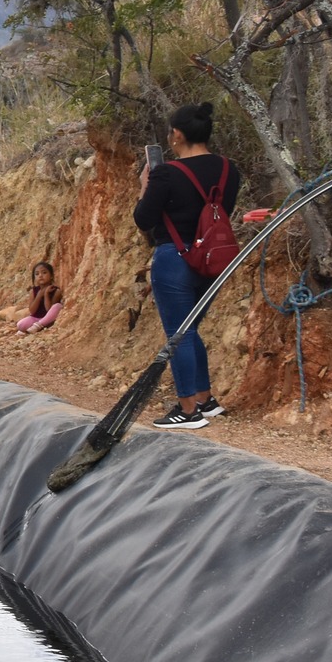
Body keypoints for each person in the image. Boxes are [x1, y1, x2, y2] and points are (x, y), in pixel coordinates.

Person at [133, 102, 239, 428]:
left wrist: (144, 186)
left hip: (175, 259)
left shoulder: (166, 173)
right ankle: (206, 400)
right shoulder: (228, 169)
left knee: (177, 334)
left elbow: (144, 219)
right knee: (190, 329)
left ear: (177, 134)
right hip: (214, 260)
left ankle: (187, 409)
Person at [17, 261, 63, 334]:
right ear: (34, 277)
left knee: (58, 306)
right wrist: (39, 295)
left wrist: (46, 295)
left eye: (44, 273)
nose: (40, 276)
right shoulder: (34, 291)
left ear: (51, 276)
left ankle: (39, 325)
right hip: (36, 318)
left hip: (48, 318)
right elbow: (32, 311)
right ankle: (37, 326)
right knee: (20, 325)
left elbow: (49, 310)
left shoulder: (56, 291)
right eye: (37, 274)